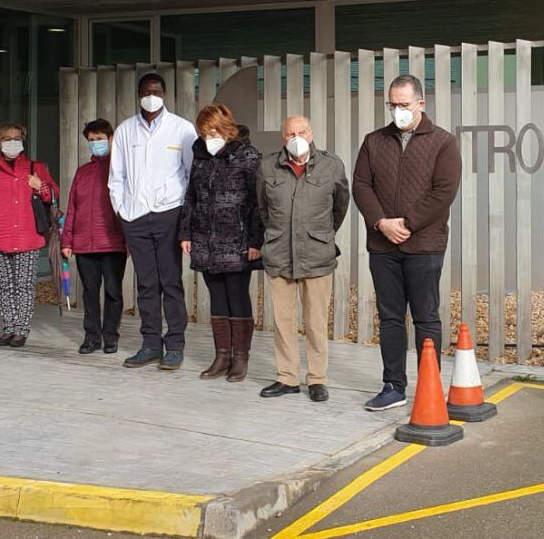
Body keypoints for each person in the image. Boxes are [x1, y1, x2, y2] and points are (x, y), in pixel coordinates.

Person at [352, 75, 461, 412]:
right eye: (393, 105)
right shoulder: (374, 141)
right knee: (390, 318)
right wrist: (382, 223)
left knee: (426, 317)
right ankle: (393, 386)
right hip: (383, 246)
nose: (398, 110)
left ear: (420, 104)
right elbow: (361, 185)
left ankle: (430, 386)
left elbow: (443, 191)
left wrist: (408, 224)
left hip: (425, 244)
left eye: (404, 104)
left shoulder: (443, 142)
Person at [108, 73, 197, 371]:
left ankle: (174, 345)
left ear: (165, 93)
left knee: (170, 281)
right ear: (138, 94)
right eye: (146, 91)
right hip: (135, 217)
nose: (151, 95)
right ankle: (149, 344)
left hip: (169, 213)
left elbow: (191, 176)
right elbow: (116, 177)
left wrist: (183, 215)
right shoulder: (124, 131)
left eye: (156, 91)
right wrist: (122, 211)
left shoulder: (183, 129)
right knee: (145, 283)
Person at [257, 115, 349, 402]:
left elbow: (340, 206)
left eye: (301, 131)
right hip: (279, 253)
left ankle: (317, 379)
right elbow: (262, 208)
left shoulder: (331, 165)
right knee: (283, 321)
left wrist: (321, 234)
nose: (295, 137)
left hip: (316, 254)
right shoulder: (266, 166)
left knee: (315, 321)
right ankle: (287, 377)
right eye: (290, 133)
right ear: (282, 137)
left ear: (311, 133)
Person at [179, 104, 263, 382]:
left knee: (237, 296)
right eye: (204, 133)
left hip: (238, 241)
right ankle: (222, 355)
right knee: (216, 297)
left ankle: (240, 358)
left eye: (214, 132)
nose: (209, 138)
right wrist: (186, 233)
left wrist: (255, 240)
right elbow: (191, 195)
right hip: (206, 240)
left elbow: (257, 203)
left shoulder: (248, 156)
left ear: (227, 129)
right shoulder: (200, 155)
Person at [0, 122, 58, 347]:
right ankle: (8, 328)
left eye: (17, 138)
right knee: (4, 285)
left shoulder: (34, 167)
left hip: (26, 237)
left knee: (24, 285)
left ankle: (21, 330)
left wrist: (40, 186)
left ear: (23, 140)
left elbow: (52, 196)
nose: (12, 142)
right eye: (7, 138)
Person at [61, 119, 127, 355]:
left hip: (112, 244)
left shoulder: (120, 169)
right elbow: (72, 208)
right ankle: (91, 337)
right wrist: (66, 242)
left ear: (110, 139)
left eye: (99, 139)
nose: (95, 144)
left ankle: (111, 336)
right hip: (83, 245)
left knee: (113, 291)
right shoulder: (82, 172)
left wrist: (128, 240)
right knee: (89, 292)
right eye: (91, 141)